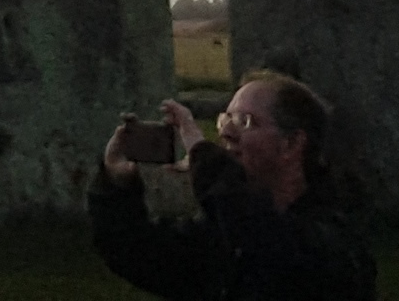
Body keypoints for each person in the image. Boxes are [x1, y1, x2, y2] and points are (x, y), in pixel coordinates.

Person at [91, 69, 377, 301]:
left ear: (291, 144)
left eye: (245, 121)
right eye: (225, 119)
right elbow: (135, 253)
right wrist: (116, 185)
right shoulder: (225, 232)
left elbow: (268, 243)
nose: (227, 132)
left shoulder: (334, 237)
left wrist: (204, 157)